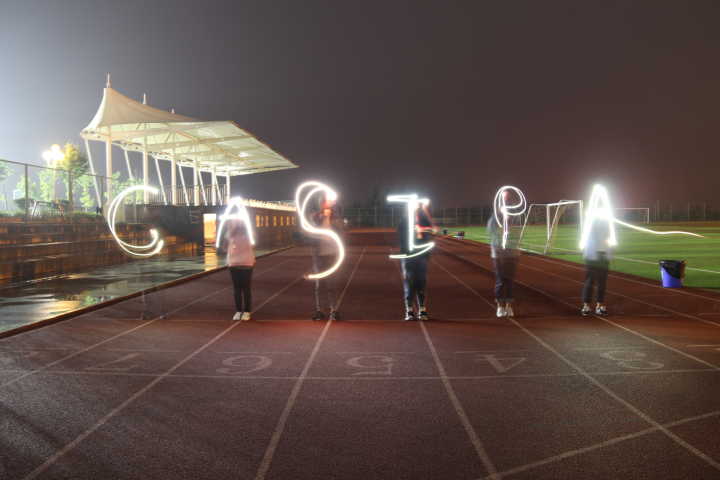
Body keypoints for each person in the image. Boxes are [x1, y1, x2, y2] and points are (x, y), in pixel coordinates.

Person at [398, 202, 435, 321]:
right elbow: (401, 238)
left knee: (421, 282)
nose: (416, 207)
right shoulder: (404, 221)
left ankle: (422, 309)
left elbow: (433, 231)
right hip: (409, 256)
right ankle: (409, 310)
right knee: (409, 282)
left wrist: (422, 228)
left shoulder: (423, 220)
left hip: (422, 255)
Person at [311, 195, 343, 321]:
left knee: (332, 284)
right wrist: (322, 217)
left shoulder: (336, 217)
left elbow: (341, 230)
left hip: (332, 254)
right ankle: (319, 310)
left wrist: (331, 217)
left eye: (329, 202)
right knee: (319, 285)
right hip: (319, 255)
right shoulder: (316, 217)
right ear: (321, 204)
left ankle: (333, 310)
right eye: (325, 202)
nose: (327, 203)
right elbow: (312, 229)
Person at [487, 211, 520, 318]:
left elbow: (518, 234)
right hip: (498, 254)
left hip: (512, 253)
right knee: (500, 280)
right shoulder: (494, 219)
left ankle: (509, 306)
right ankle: (500, 306)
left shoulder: (514, 217)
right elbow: (493, 234)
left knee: (510, 280)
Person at [223, 217, 255, 321]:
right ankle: (238, 310)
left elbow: (253, 243)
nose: (236, 223)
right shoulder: (229, 233)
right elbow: (224, 247)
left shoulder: (249, 233)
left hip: (246, 262)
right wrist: (231, 231)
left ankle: (247, 311)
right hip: (234, 263)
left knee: (246, 288)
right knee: (237, 288)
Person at [581, 217, 613, 316]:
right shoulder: (591, 224)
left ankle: (598, 305)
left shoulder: (606, 224)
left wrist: (608, 254)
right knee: (590, 282)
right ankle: (586, 306)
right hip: (592, 257)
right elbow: (589, 240)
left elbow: (608, 241)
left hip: (603, 257)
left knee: (601, 283)